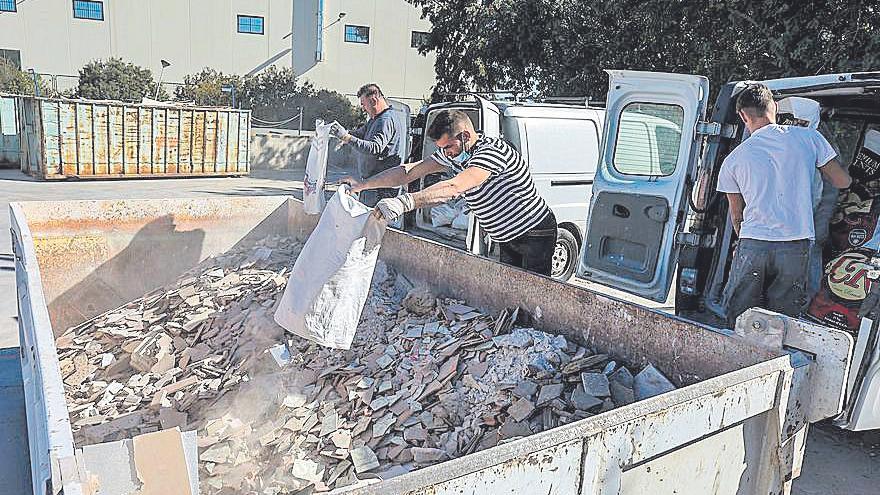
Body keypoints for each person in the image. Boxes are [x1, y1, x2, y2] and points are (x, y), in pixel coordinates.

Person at [342, 109, 558, 276]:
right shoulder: (454, 154)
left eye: (448, 147)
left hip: (535, 233)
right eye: (443, 148)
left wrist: (405, 202)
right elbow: (408, 172)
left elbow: (455, 187)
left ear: (465, 135)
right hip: (507, 236)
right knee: (514, 291)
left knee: (534, 296)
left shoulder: (491, 153)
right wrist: (363, 184)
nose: (446, 153)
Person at [717, 83, 854, 327]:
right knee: (783, 320)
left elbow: (736, 216)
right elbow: (842, 182)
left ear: (742, 116)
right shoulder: (809, 138)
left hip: (754, 245)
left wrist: (747, 242)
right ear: (775, 108)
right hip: (796, 245)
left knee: (740, 316)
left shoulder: (734, 159)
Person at [329, 84, 405, 207]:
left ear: (374, 100)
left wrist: (346, 137)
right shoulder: (375, 119)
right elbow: (361, 134)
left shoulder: (385, 120)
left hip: (380, 189)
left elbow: (375, 147)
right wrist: (343, 133)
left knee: (370, 224)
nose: (363, 108)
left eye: (364, 104)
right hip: (372, 185)